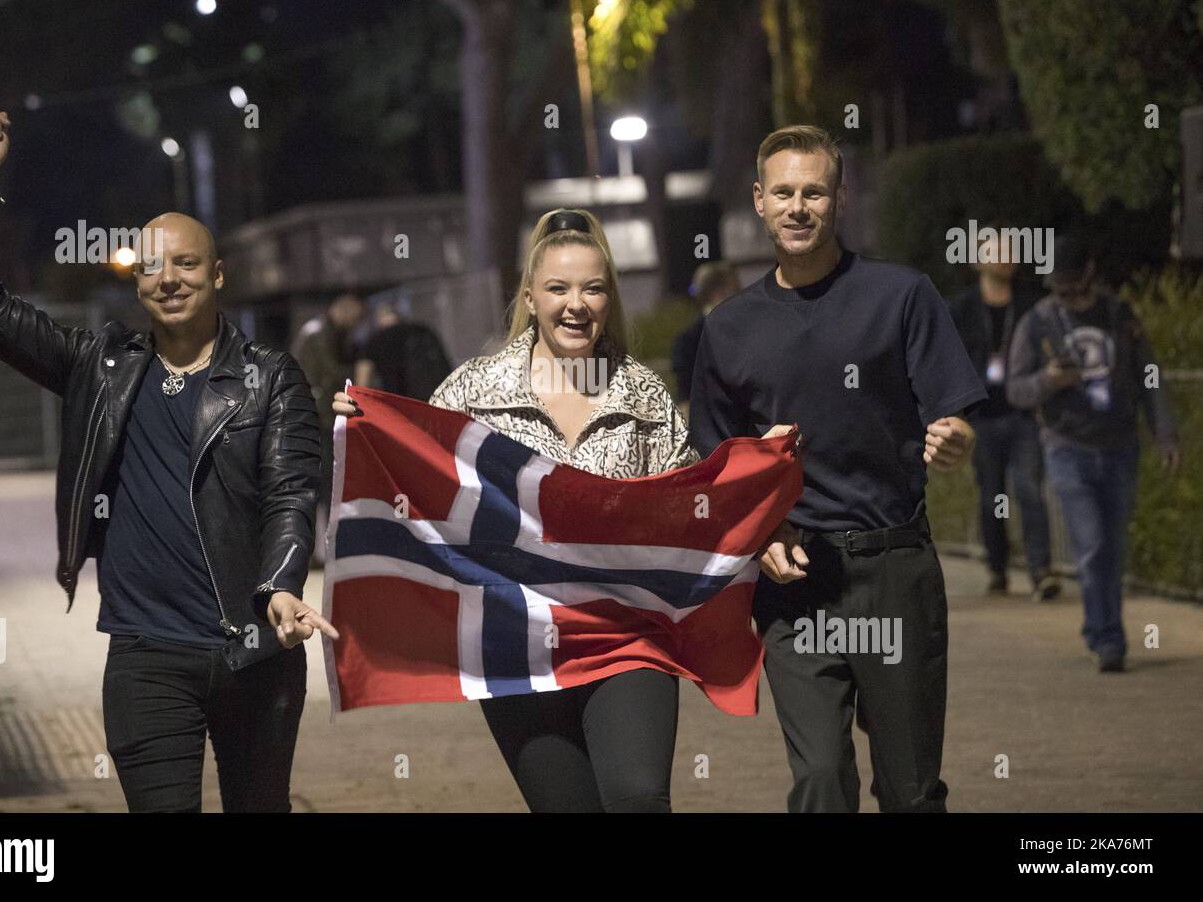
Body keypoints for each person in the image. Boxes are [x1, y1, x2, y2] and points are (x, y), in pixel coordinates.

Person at [0, 103, 337, 812]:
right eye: (154, 267)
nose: (170, 279)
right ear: (137, 282)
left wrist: (282, 585)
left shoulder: (270, 375)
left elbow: (290, 492)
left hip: (254, 650)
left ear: (217, 275)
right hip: (146, 659)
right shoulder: (98, 366)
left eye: (186, 264)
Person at [334, 208, 698, 812]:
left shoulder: (644, 393)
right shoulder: (473, 389)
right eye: (558, 288)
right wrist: (366, 428)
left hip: (627, 635)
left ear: (609, 297)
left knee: (637, 797)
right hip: (514, 643)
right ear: (530, 298)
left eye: (592, 287)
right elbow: (417, 468)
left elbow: (686, 503)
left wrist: (759, 482)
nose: (575, 303)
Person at [690, 125, 986, 813]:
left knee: (911, 792)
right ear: (759, 201)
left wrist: (957, 440)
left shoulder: (902, 295)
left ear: (839, 199)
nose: (799, 206)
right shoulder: (727, 329)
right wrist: (760, 537)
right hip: (797, 584)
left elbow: (957, 414)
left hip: (894, 571)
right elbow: (715, 465)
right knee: (821, 777)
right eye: (784, 192)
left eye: (814, 191)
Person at [1006, 236, 1179, 673]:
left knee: (1112, 547)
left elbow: (1150, 377)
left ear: (1089, 273)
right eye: (1057, 288)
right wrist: (1048, 380)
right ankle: (1107, 639)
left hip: (1120, 446)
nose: (1064, 296)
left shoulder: (1119, 316)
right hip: (1068, 447)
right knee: (1092, 543)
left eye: (1070, 286)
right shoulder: (1039, 321)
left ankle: (1103, 630)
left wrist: (1166, 435)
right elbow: (1015, 388)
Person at [948, 228, 1057, 599]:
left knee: (1029, 489)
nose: (1005, 257)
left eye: (1010, 250)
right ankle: (998, 566)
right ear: (978, 260)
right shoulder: (962, 308)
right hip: (982, 416)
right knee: (992, 494)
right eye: (995, 251)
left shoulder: (1030, 306)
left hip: (1023, 413)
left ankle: (1041, 569)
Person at [294, 294, 365, 565]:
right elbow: (329, 373)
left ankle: (318, 550)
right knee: (321, 484)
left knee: (323, 484)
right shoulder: (321, 335)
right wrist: (357, 369)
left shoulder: (322, 332)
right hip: (318, 418)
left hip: (319, 417)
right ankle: (317, 550)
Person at [672, 262, 743, 418]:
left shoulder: (686, 339)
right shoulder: (690, 340)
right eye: (735, 288)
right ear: (717, 292)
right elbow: (686, 398)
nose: (741, 294)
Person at [354, 303, 453, 401]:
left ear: (379, 319)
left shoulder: (374, 340)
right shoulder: (424, 330)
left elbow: (362, 380)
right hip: (439, 395)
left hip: (403, 402)